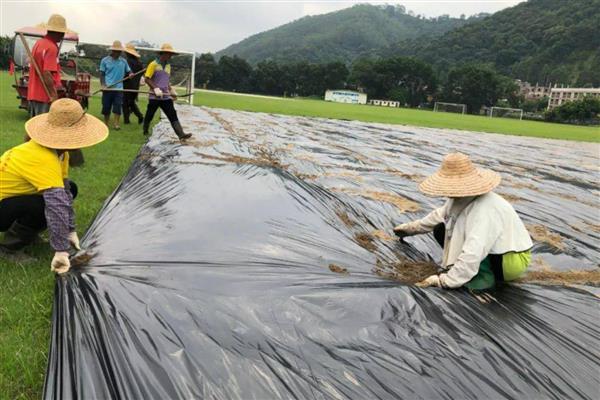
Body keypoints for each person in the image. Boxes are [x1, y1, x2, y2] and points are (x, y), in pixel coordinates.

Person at [393, 152, 532, 290]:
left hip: (509, 261)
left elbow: (475, 248)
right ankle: (464, 270)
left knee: (471, 242)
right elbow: (439, 215)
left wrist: (446, 281)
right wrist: (409, 229)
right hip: (493, 251)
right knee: (440, 229)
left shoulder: (485, 209)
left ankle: (481, 278)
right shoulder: (461, 199)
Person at [0, 99, 108, 274]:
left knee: (70, 189)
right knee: (43, 205)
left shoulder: (60, 154)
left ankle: (28, 233)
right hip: (2, 206)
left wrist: (70, 230)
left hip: (9, 203)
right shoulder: (42, 157)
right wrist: (61, 250)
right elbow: (56, 204)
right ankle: (8, 247)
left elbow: (64, 192)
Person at [142, 43, 191, 140]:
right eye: (168, 54)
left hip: (165, 96)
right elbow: (147, 79)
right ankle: (145, 129)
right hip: (154, 96)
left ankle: (181, 134)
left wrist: (171, 90)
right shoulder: (153, 64)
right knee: (150, 114)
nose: (169, 56)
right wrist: (155, 88)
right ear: (162, 53)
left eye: (170, 54)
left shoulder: (168, 66)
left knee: (172, 113)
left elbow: (166, 81)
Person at [26, 14, 68, 117]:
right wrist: (53, 95)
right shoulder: (52, 47)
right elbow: (47, 73)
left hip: (33, 93)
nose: (63, 35)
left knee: (34, 129)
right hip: (44, 95)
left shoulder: (39, 43)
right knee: (43, 130)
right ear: (57, 32)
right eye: (62, 32)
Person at [100, 41, 131, 130]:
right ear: (112, 50)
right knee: (106, 106)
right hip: (108, 88)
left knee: (117, 106)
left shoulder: (123, 61)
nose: (118, 53)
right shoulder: (105, 60)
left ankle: (116, 124)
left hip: (119, 89)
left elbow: (129, 71)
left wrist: (130, 74)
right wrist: (103, 85)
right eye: (116, 51)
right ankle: (106, 123)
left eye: (119, 51)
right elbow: (102, 74)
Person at [122, 43, 144, 125]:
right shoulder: (139, 63)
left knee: (125, 103)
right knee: (131, 103)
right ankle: (140, 116)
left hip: (127, 85)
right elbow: (141, 73)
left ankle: (126, 121)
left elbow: (125, 73)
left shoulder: (126, 61)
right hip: (135, 87)